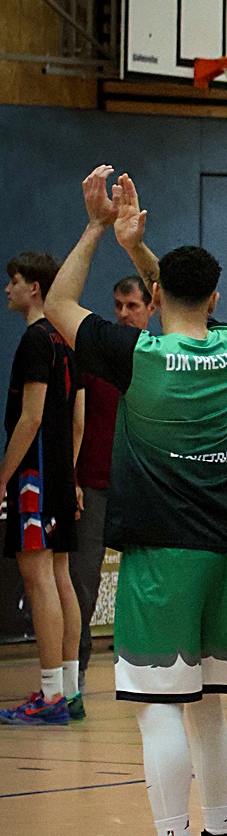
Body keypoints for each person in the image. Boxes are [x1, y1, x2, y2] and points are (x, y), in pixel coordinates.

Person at [45, 167, 227, 836]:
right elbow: (182, 300)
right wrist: (147, 254)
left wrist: (102, 228)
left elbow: (60, 302)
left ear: (157, 300)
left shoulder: (138, 356)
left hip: (164, 556)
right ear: (218, 300)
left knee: (158, 710)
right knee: (210, 715)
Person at [0, 251, 83, 726]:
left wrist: (3, 477)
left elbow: (31, 417)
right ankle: (69, 690)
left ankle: (50, 693)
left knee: (39, 581)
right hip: (57, 476)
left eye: (13, 281)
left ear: (34, 288)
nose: (7, 290)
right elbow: (79, 421)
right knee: (60, 577)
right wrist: (69, 476)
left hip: (32, 476)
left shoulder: (35, 340)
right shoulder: (68, 339)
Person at [68, 275, 153, 700]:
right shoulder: (96, 357)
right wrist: (74, 477)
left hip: (144, 489)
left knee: (152, 582)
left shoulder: (160, 359)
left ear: (151, 308)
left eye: (131, 305)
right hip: (96, 485)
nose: (122, 313)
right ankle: (74, 674)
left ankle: (155, 669)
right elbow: (76, 421)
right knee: (81, 581)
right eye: (117, 304)